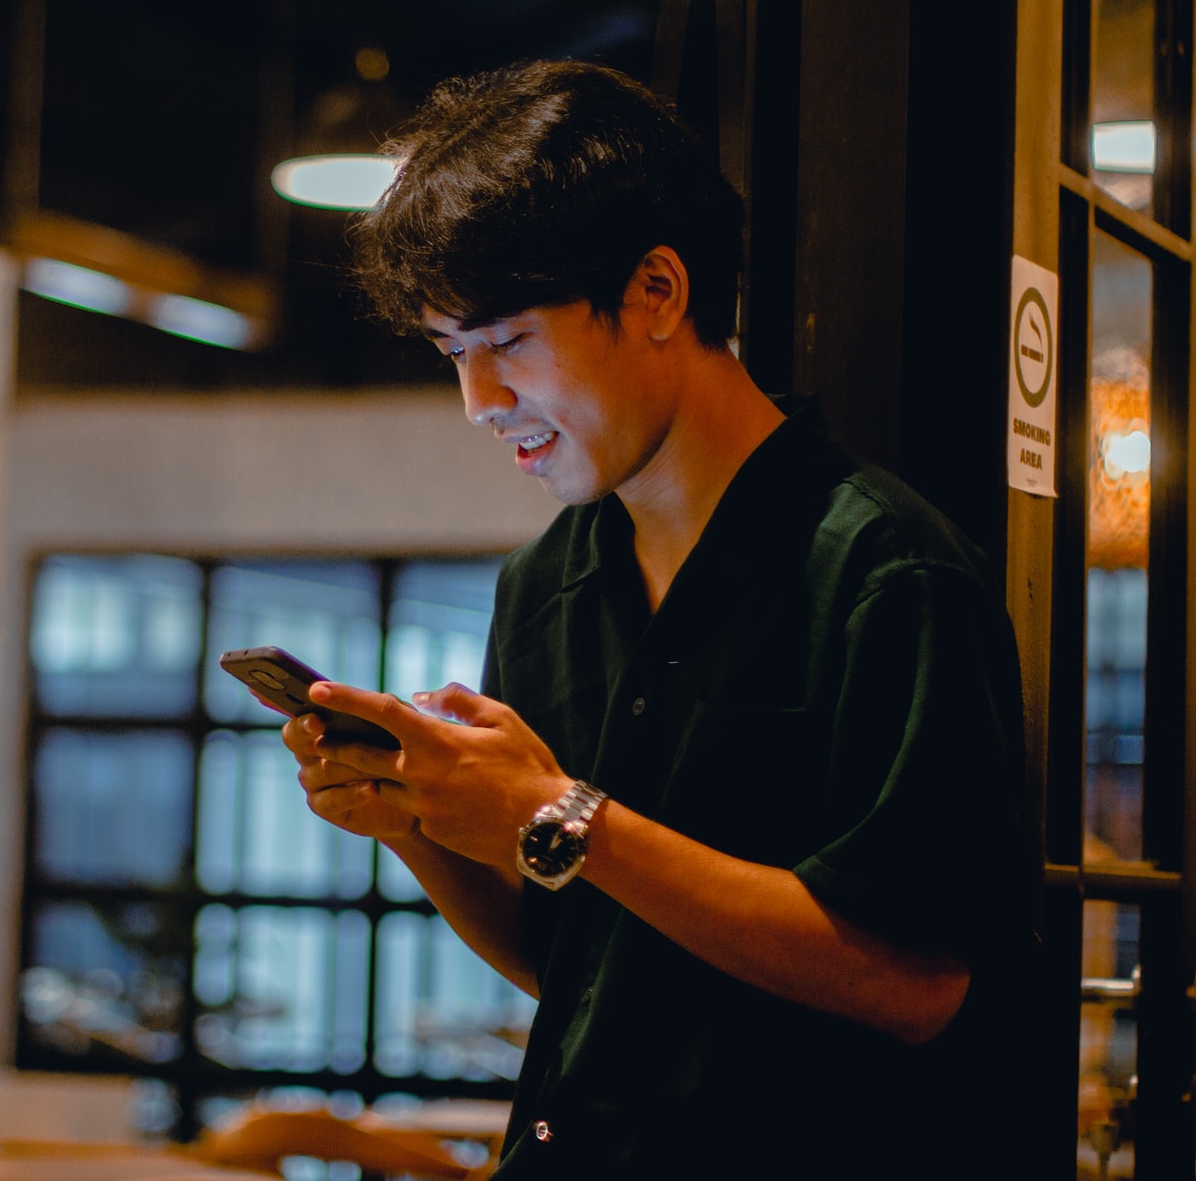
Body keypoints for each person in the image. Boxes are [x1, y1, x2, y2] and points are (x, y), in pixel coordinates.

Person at [270, 60, 1039, 1179]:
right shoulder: (546, 582)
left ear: (658, 293)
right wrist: (413, 820)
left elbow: (913, 983)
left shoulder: (884, 568)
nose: (480, 403)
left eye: (508, 342)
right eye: (453, 355)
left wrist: (563, 813)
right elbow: (581, 959)